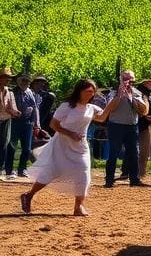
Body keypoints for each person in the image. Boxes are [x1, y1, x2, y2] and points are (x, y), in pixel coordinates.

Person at [20, 78, 124, 216]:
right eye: (87, 91)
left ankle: (78, 207)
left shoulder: (91, 108)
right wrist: (71, 134)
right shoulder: (67, 106)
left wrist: (119, 97)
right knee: (52, 172)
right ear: (79, 91)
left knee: (84, 172)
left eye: (92, 92)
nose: (91, 94)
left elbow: (103, 117)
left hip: (80, 146)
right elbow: (53, 125)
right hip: (62, 144)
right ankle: (29, 195)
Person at [103, 70, 149, 188]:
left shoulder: (137, 93)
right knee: (113, 153)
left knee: (134, 153)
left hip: (132, 127)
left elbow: (143, 111)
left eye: (131, 80)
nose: (129, 82)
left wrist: (132, 97)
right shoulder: (113, 93)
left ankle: (134, 179)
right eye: (126, 79)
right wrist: (120, 95)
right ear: (120, 80)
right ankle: (109, 180)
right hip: (116, 126)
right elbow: (110, 109)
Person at [6, 73, 39, 179]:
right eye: (23, 81)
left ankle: (22, 169)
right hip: (14, 122)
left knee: (27, 149)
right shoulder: (12, 92)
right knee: (11, 147)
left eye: (27, 81)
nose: (25, 83)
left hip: (27, 123)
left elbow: (35, 108)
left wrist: (36, 124)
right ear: (18, 81)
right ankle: (9, 170)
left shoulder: (30, 92)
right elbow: (7, 106)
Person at [0, 67, 21, 180]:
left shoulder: (10, 92)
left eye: (9, 78)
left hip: (6, 121)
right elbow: (6, 108)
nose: (8, 80)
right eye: (6, 77)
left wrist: (16, 112)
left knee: (3, 146)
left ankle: (0, 170)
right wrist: (10, 110)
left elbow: (14, 109)